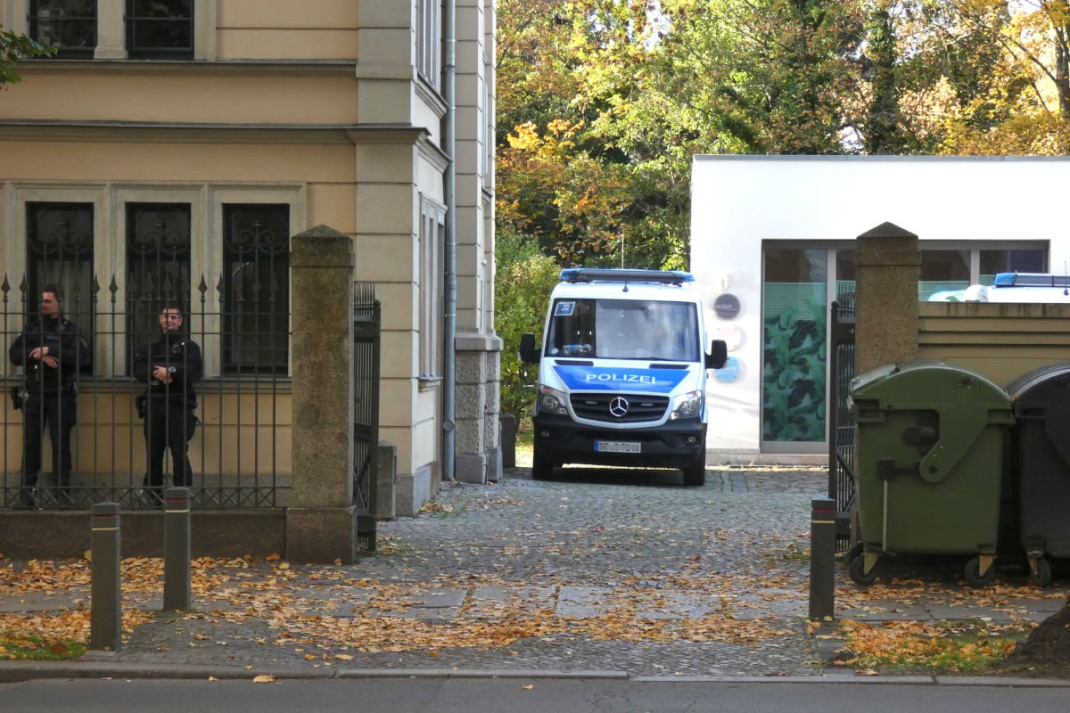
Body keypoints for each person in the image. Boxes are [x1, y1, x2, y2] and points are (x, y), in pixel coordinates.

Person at [8, 285, 90, 509]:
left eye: (48, 301)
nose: (43, 305)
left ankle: (62, 494)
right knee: (31, 443)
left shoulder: (70, 330)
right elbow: (14, 355)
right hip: (34, 392)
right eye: (42, 301)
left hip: (61, 393)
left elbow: (82, 359)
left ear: (59, 302)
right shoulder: (33, 329)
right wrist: (37, 355)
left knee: (61, 444)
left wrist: (51, 350)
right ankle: (27, 495)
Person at [132, 303, 203, 507]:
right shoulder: (150, 347)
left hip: (179, 406)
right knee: (154, 453)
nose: (169, 320)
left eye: (173, 317)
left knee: (179, 451)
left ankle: (181, 494)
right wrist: (160, 373)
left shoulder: (190, 347)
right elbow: (138, 370)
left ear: (180, 321)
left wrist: (171, 371)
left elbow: (194, 371)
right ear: (159, 320)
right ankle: (153, 495)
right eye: (165, 317)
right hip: (154, 404)